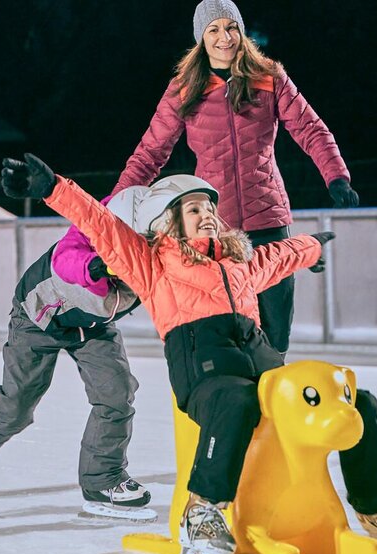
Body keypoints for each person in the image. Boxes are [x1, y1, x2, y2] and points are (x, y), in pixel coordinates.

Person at [2, 153, 377, 554]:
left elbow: (276, 257)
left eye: (209, 208)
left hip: (260, 360)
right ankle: (203, 511)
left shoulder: (237, 260)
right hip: (203, 366)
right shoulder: (152, 263)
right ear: (167, 219)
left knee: (353, 400)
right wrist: (52, 187)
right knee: (235, 401)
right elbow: (101, 225)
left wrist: (311, 248)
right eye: (193, 209)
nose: (207, 215)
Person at [107, 0, 359, 358]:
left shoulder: (269, 78)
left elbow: (310, 129)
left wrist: (336, 177)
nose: (224, 37)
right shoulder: (185, 89)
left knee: (275, 333)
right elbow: (150, 153)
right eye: (213, 30)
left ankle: (271, 382)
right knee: (227, 326)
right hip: (213, 229)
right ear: (201, 39)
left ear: (241, 32)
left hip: (268, 218)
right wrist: (113, 208)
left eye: (231, 27)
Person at [0, 189, 155, 521]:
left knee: (117, 394)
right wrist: (97, 267)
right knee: (17, 403)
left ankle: (102, 480)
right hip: (38, 317)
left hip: (92, 325)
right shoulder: (94, 227)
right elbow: (67, 260)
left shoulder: (158, 247)